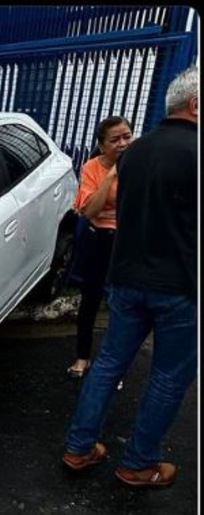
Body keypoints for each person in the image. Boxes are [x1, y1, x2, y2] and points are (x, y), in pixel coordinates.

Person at [62, 65, 198, 488]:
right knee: (168, 375)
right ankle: (139, 463)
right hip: (179, 284)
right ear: (195, 105)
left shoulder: (134, 153)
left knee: (107, 365)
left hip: (126, 277)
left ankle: (79, 448)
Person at [66, 116, 134, 378]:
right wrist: (112, 175)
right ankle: (82, 358)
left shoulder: (139, 164)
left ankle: (113, 368)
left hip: (128, 242)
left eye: (127, 136)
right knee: (91, 300)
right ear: (101, 145)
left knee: (121, 305)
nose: (123, 143)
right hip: (99, 239)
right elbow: (89, 211)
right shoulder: (92, 168)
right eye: (115, 139)